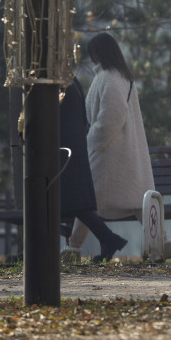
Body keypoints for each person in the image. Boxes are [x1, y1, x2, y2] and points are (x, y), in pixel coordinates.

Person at [66, 33, 155, 260]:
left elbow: (110, 119)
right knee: (130, 203)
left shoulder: (111, 78)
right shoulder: (116, 76)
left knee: (85, 199)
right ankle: (160, 244)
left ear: (99, 53)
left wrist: (90, 142)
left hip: (109, 154)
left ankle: (75, 248)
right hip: (118, 152)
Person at [59, 77, 128, 263]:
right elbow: (83, 117)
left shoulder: (56, 82)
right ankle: (108, 238)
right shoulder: (72, 81)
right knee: (77, 203)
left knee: (72, 202)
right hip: (76, 145)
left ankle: (108, 238)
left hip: (63, 148)